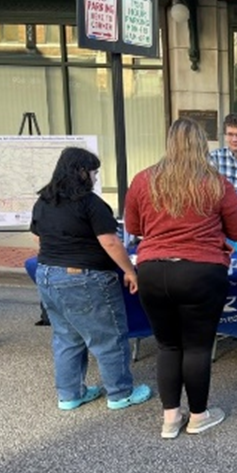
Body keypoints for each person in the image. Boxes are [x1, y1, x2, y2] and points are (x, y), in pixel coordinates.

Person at [126, 118, 237, 438]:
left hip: (153, 269)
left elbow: (134, 227)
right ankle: (198, 416)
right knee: (197, 346)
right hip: (202, 271)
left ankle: (170, 419)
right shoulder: (217, 183)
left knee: (167, 345)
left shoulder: (143, 180)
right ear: (200, 145)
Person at [31, 147, 151, 411]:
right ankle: (120, 393)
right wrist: (130, 271)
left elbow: (39, 237)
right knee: (108, 337)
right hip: (86, 278)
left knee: (66, 338)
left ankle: (70, 395)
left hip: (48, 274)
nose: (96, 177)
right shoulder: (90, 203)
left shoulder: (44, 200)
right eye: (94, 171)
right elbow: (109, 241)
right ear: (81, 172)